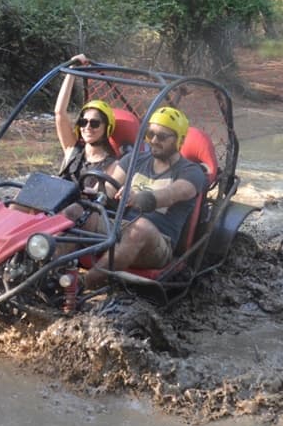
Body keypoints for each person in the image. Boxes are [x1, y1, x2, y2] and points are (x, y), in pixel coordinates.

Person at [67, 106, 206, 293]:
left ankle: (82, 286)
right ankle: (47, 273)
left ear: (179, 140)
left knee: (140, 227)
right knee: (74, 211)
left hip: (157, 242)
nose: (154, 141)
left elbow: (172, 193)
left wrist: (138, 196)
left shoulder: (191, 172)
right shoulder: (133, 159)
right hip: (118, 227)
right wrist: (91, 192)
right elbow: (108, 188)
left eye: (162, 137)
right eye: (150, 134)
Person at [53, 54, 118, 187]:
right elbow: (59, 112)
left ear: (107, 128)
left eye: (94, 123)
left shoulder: (112, 165)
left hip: (79, 207)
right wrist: (72, 69)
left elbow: (99, 198)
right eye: (83, 122)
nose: (87, 127)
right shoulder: (72, 150)